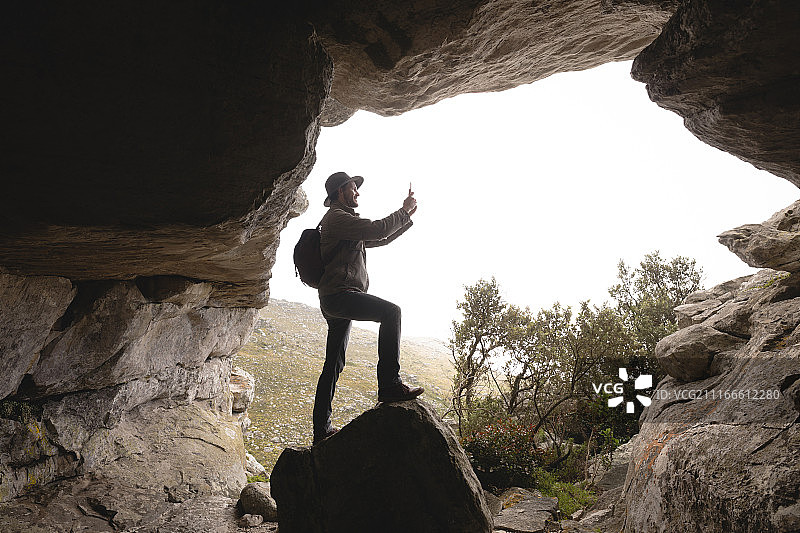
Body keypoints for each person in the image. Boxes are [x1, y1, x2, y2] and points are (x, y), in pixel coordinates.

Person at [313, 171, 424, 444]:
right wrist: (403, 211)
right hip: (340, 295)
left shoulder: (344, 221)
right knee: (391, 312)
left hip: (336, 297)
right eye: (353, 188)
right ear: (340, 192)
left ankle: (321, 430)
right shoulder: (337, 218)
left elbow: (380, 239)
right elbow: (377, 229)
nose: (358, 192)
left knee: (333, 364)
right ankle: (389, 385)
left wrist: (407, 217)